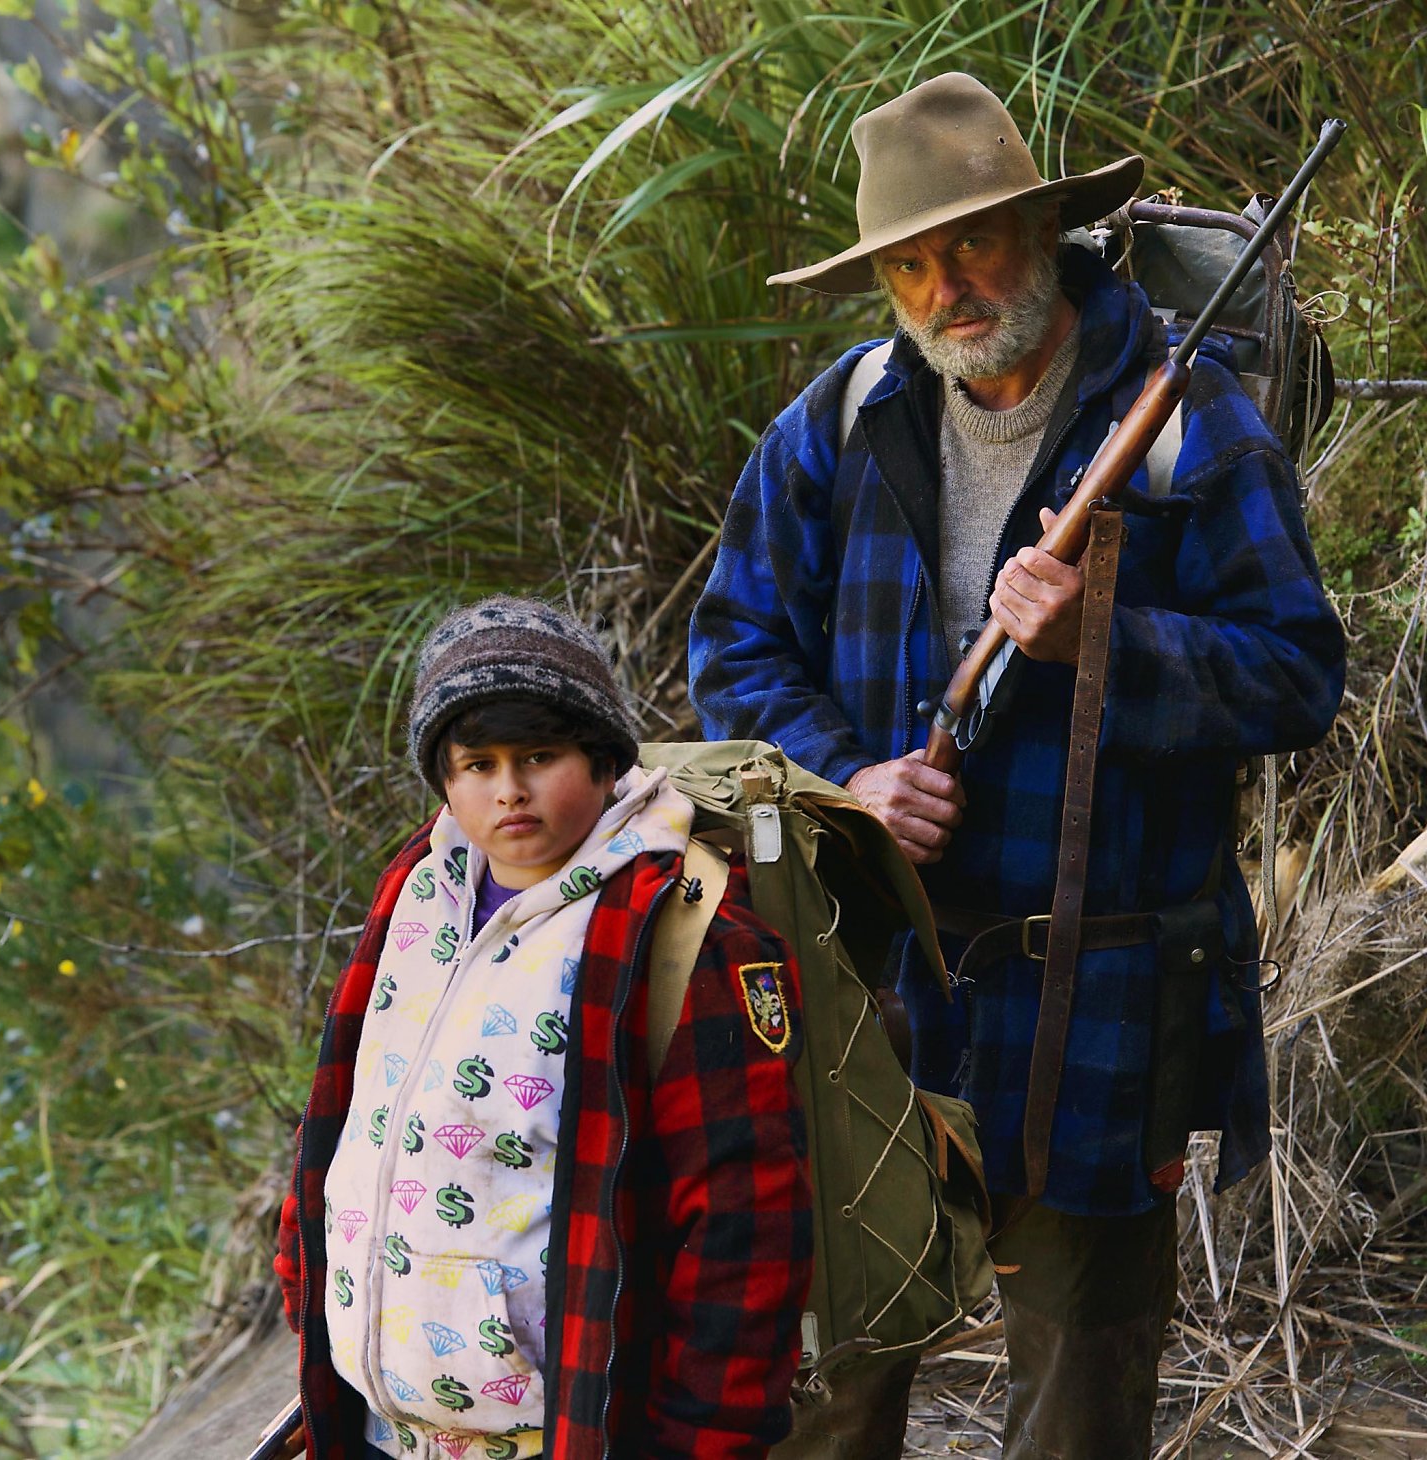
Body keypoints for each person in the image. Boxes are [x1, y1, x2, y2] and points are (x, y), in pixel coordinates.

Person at [689, 74, 1345, 1459]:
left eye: (974, 244)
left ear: (1046, 225)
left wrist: (1108, 635)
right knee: (829, 1384)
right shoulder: (843, 419)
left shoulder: (1186, 420)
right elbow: (736, 648)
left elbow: (1298, 674)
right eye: (911, 265)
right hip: (879, 988)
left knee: (1081, 1405)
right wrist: (844, 783)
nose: (947, 290)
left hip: (1102, 996)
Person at [274, 596, 813, 1460]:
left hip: (561, 1431)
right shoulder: (419, 888)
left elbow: (744, 1218)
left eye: (539, 755)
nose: (509, 790)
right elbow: (347, 1104)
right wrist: (314, 1297)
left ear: (604, 762)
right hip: (385, 1422)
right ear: (443, 780)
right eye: (476, 764)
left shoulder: (674, 929)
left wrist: (703, 1439)